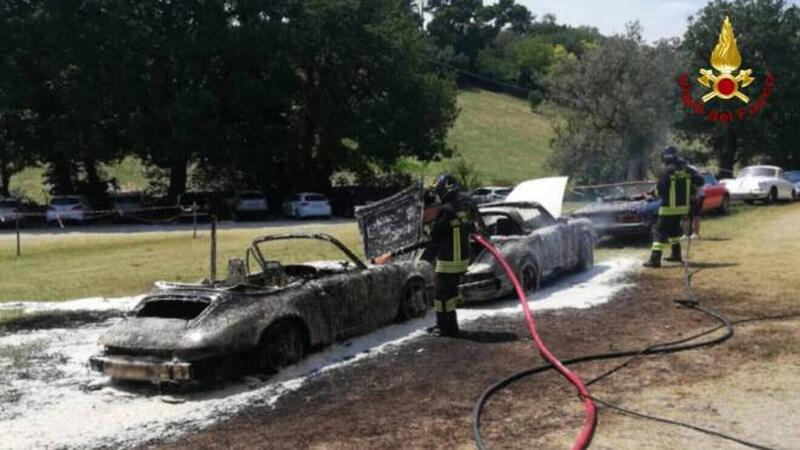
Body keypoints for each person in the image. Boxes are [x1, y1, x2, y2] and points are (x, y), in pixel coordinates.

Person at [373, 173, 482, 336]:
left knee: (442, 298)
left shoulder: (445, 211)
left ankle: (447, 328)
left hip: (448, 261)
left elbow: (434, 241)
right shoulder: (461, 208)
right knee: (447, 296)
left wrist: (417, 261)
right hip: (460, 259)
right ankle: (444, 325)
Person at [644, 147, 704, 268]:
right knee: (674, 230)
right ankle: (676, 254)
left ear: (665, 157)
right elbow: (700, 181)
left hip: (668, 208)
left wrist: (652, 195)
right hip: (683, 208)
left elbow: (660, 190)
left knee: (658, 231)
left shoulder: (666, 171)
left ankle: (655, 260)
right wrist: (692, 192)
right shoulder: (687, 169)